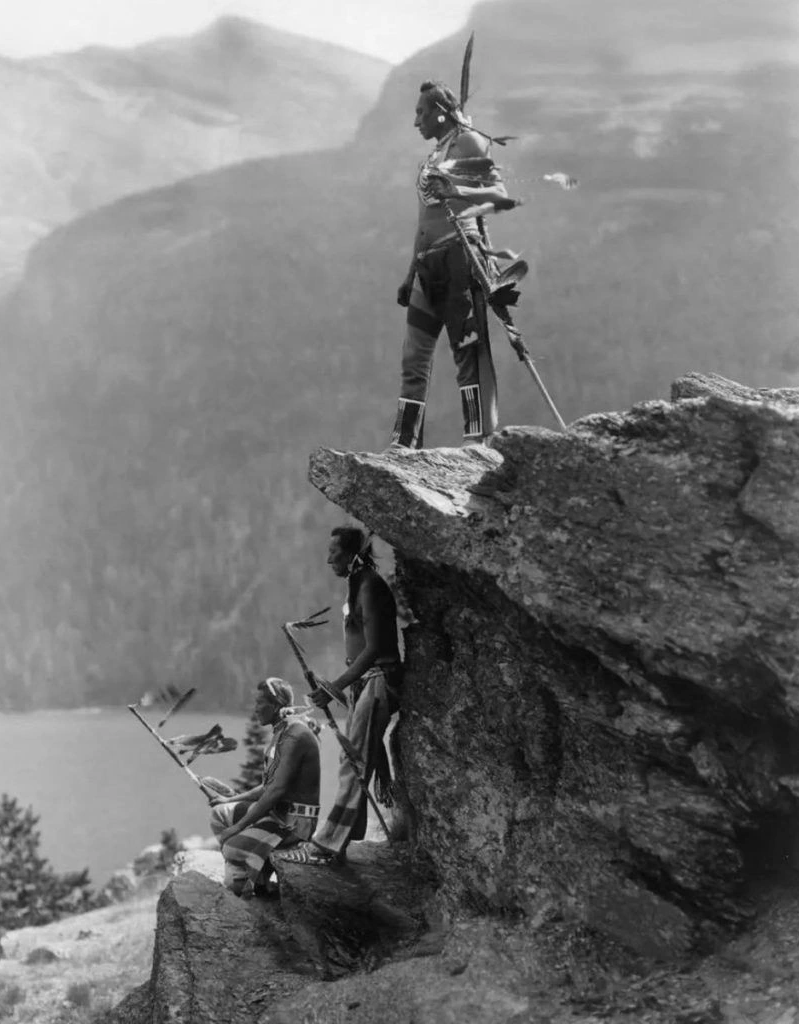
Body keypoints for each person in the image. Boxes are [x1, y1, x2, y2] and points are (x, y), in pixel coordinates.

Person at [390, 79, 516, 449]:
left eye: (420, 112)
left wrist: (456, 190)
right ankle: (404, 444)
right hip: (427, 267)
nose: (416, 122)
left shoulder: (469, 142)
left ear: (440, 113)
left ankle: (477, 442)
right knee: (414, 358)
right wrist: (410, 273)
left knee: (467, 355)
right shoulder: (432, 157)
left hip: (460, 260)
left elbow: (500, 196)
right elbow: (424, 218)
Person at [275, 526, 402, 866]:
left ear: (352, 554)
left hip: (378, 683)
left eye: (335, 551)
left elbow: (375, 648)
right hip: (367, 683)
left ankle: (328, 845)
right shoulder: (358, 584)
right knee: (356, 760)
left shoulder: (370, 587)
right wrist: (339, 685)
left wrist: (335, 687)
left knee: (354, 763)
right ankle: (348, 835)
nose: (328, 557)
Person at [202, 677, 320, 896]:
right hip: (279, 815)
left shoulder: (294, 735)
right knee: (220, 814)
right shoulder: (283, 731)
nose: (255, 708)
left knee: (230, 847)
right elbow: (268, 786)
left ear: (275, 706)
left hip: (294, 824)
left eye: (259, 703)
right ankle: (254, 879)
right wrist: (229, 800)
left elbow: (276, 790)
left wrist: (238, 828)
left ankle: (243, 884)